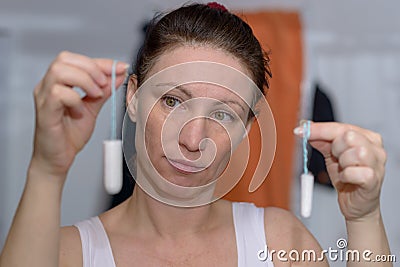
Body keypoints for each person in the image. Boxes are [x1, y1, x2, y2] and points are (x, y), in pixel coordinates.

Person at [0, 3, 392, 267]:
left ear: (246, 130)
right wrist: (48, 169)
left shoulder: (279, 243)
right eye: (173, 101)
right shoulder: (67, 254)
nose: (192, 138)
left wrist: (364, 217)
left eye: (223, 114)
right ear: (133, 97)